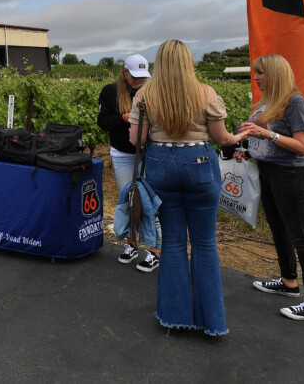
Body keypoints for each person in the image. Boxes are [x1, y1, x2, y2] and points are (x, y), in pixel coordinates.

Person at [129, 40, 247, 336]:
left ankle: (174, 316)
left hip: (160, 164)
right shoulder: (205, 92)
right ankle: (211, 322)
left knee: (172, 242)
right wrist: (238, 136)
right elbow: (221, 138)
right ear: (187, 62)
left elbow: (136, 141)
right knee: (205, 243)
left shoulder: (145, 94)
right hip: (199, 164)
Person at [238, 55, 304, 321]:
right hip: (270, 171)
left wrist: (266, 134)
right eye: (256, 73)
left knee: (300, 235)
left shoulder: (295, 102)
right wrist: (251, 152)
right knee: (279, 230)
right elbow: (270, 144)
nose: (256, 78)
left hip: (291, 174)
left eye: (261, 73)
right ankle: (289, 282)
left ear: (275, 74)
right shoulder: (268, 102)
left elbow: (302, 146)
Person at [97, 54, 161, 270]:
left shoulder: (152, 92)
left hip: (149, 153)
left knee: (151, 200)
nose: (139, 81)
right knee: (129, 198)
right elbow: (103, 122)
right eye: (135, 76)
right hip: (123, 155)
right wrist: (125, 118)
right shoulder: (110, 92)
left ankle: (154, 250)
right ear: (124, 72)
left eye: (142, 77)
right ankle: (131, 243)